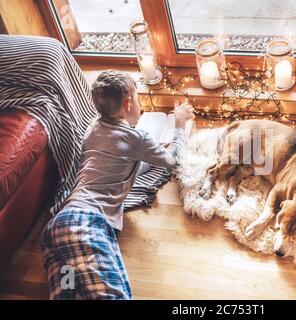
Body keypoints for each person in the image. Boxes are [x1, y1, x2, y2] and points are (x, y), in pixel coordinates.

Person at [41, 70, 194, 299]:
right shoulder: (136, 138)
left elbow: (120, 164)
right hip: (85, 225)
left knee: (69, 292)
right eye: (139, 99)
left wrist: (150, 155)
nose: (141, 106)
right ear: (128, 102)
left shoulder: (93, 128)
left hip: (58, 231)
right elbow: (174, 160)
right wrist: (180, 125)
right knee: (111, 294)